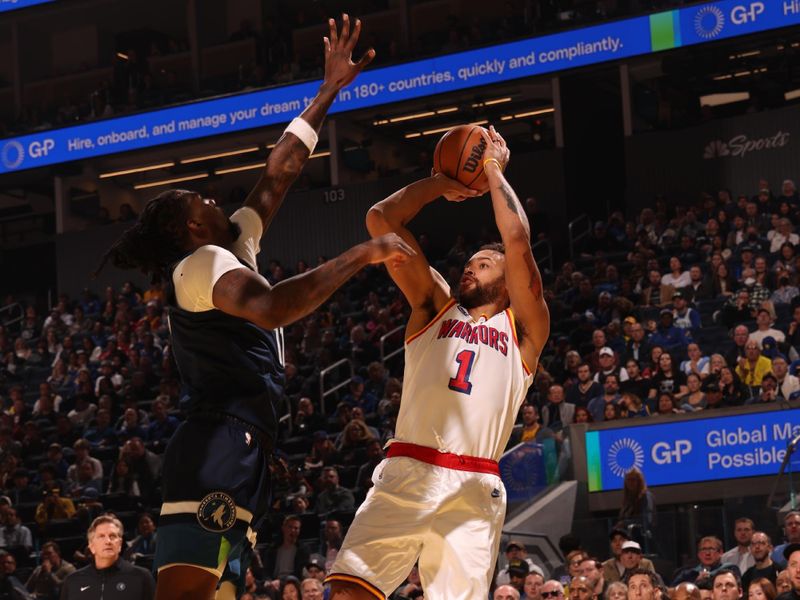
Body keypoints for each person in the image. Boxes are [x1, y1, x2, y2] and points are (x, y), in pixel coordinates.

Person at [94, 16, 409, 600]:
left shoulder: (228, 247)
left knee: (224, 593)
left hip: (244, 445)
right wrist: (359, 255)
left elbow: (278, 175)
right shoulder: (201, 266)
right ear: (193, 226)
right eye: (205, 200)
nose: (220, 199)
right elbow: (269, 308)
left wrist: (328, 90)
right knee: (188, 594)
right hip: (217, 446)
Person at [326, 126, 550, 600]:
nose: (469, 267)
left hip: (475, 482)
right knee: (350, 593)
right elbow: (379, 219)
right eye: (468, 262)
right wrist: (440, 185)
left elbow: (517, 241)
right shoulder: (434, 305)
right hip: (408, 466)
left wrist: (491, 169)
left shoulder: (525, 332)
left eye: (483, 264)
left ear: (509, 281)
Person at [60, 515, 155, 599]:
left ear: (120, 544)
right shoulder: (72, 581)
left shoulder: (141, 577)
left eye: (112, 536)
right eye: (101, 536)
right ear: (91, 546)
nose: (108, 541)